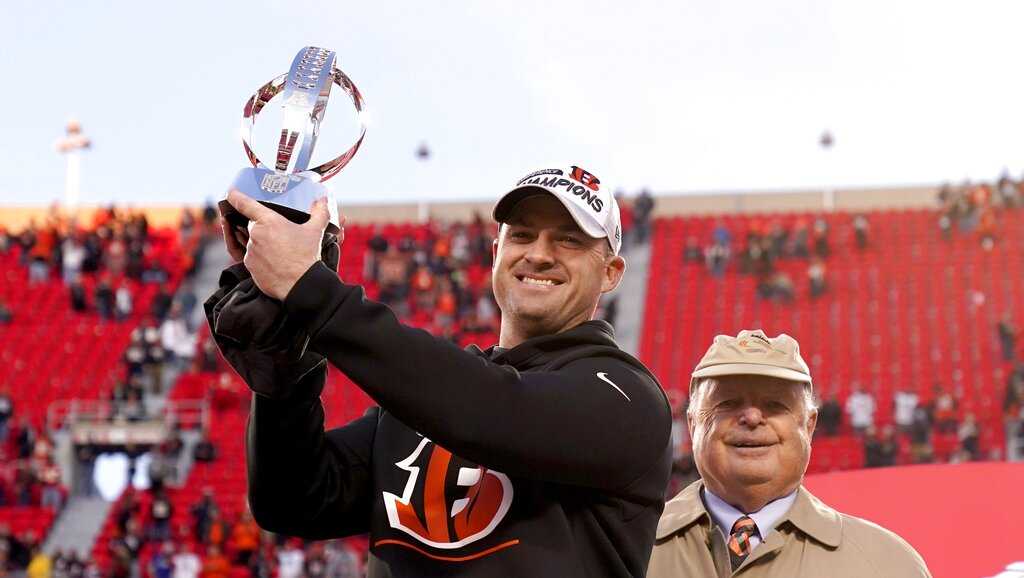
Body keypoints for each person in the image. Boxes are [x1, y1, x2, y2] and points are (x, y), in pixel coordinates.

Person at [208, 165, 672, 577]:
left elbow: (494, 410)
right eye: (522, 235)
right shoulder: (418, 407)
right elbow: (292, 501)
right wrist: (283, 373)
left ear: (611, 272)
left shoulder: (626, 396)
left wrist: (313, 293)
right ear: (495, 253)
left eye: (569, 240)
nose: (540, 253)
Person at [648, 330, 931, 577]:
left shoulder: (888, 566)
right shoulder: (624, 546)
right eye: (728, 403)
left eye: (775, 404)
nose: (752, 416)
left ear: (809, 426)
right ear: (693, 423)